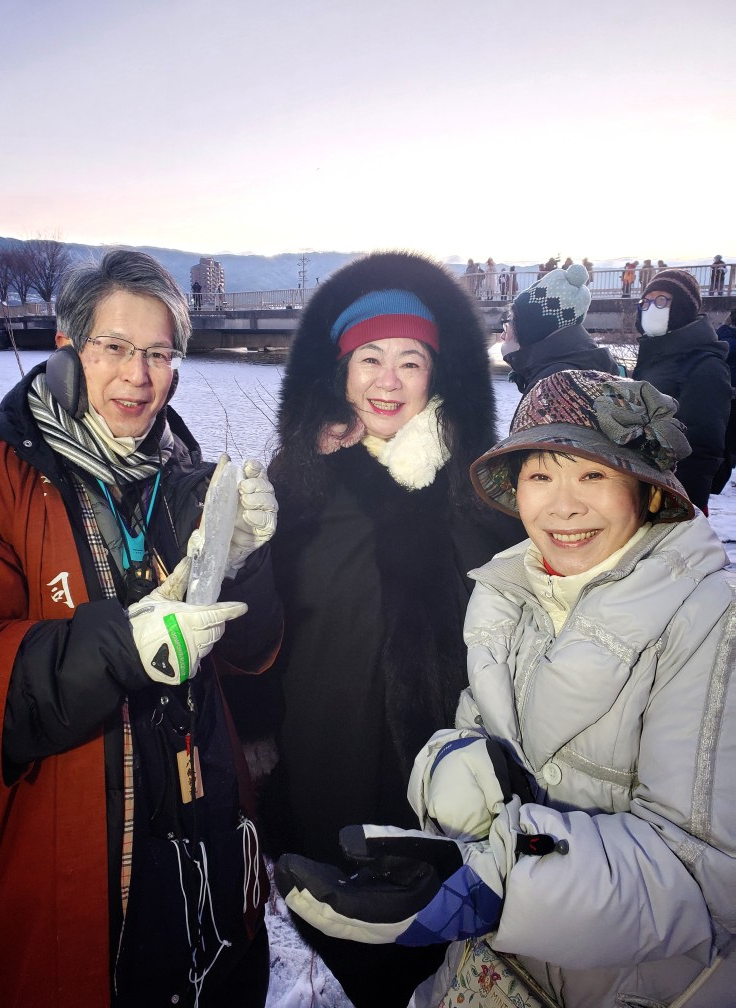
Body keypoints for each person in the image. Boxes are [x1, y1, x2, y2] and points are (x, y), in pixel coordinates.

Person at [274, 369, 736, 1008]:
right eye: (540, 476)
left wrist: (496, 883)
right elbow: (471, 727)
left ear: (647, 493)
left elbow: (703, 870)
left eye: (593, 475)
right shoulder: (508, 592)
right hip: (497, 974)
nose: (562, 505)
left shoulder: (711, 625)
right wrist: (451, 784)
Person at [0, 249, 282, 1008]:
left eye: (157, 353)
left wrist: (244, 564)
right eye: (113, 347)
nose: (137, 376)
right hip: (76, 857)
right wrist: (121, 647)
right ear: (67, 348)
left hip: (203, 840)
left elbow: (250, 656)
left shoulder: (184, 475)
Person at [254, 250, 523, 1008]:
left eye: (411, 361)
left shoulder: (483, 485)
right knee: (339, 936)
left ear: (437, 376)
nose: (388, 380)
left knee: (436, 945)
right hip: (322, 753)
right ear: (341, 372)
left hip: (448, 772)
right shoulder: (296, 481)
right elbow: (257, 622)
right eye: (370, 358)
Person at [633, 267, 730, 513]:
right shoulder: (655, 355)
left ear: (683, 307)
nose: (651, 308)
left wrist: (681, 506)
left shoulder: (705, 365)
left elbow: (703, 446)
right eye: (646, 302)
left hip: (673, 497)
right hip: (643, 488)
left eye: (661, 300)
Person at [500, 262, 619, 394]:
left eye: (508, 324)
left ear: (530, 329)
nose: (502, 335)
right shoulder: (584, 367)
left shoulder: (554, 384)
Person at [712, 306, 736, 493]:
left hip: (720, 398)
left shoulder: (718, 338)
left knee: (724, 441)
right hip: (730, 398)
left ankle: (716, 482)